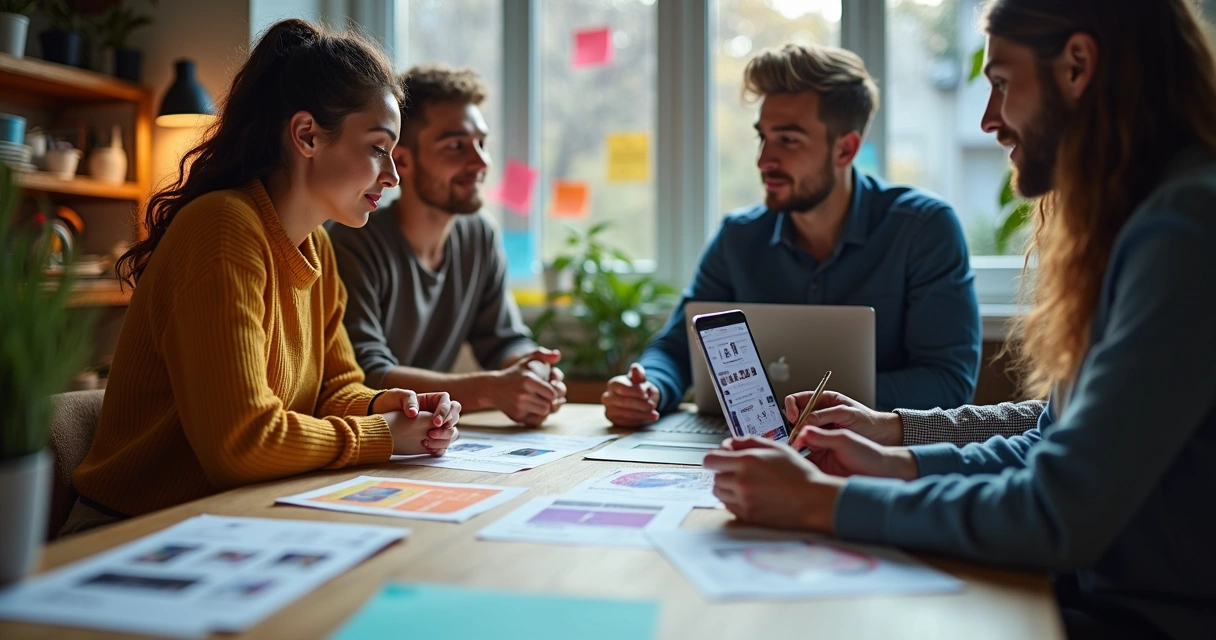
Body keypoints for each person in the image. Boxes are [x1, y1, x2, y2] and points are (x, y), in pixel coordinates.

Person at [705, 1, 1216, 638]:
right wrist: (894, 458)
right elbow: (1051, 439)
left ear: (1078, 65)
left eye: (1001, 82)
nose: (989, 119)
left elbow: (1057, 511)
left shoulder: (1185, 228)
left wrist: (821, 502)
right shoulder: (1146, 219)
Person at [67, 20, 461, 535]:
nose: (392, 175)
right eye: (377, 147)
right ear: (306, 136)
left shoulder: (315, 243)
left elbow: (333, 390)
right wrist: (382, 435)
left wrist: (387, 406)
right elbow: (242, 445)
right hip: (132, 532)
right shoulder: (223, 229)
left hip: (230, 520)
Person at [603, 43, 982, 428]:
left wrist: (816, 406)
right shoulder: (739, 236)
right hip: (749, 446)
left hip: (875, 457)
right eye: (762, 137)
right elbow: (677, 348)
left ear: (845, 149)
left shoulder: (923, 229)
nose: (764, 160)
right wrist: (650, 388)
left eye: (788, 140)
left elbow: (948, 382)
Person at [329, 65, 566, 427]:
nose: (481, 162)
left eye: (482, 144)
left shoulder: (479, 236)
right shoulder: (352, 241)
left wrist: (531, 369)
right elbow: (366, 374)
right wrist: (491, 390)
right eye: (456, 146)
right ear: (403, 160)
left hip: (430, 436)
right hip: (372, 438)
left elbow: (502, 341)